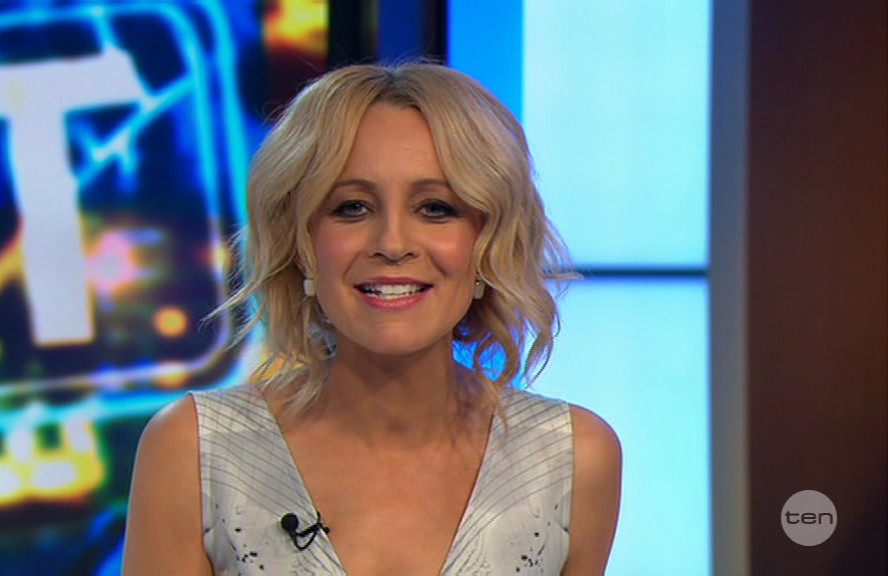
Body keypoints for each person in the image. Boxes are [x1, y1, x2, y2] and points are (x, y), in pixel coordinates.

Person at [122, 63, 621, 575]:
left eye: (436, 208)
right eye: (352, 208)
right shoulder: (195, 449)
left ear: (488, 243)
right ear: (302, 245)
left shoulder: (571, 456)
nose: (392, 244)